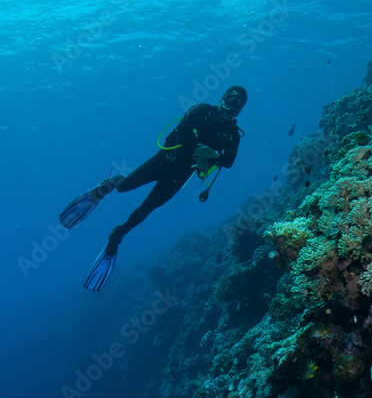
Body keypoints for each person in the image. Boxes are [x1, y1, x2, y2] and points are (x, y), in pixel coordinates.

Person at [59, 85, 247, 290]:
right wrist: (200, 148)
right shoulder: (201, 111)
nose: (231, 105)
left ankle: (118, 235)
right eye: (230, 98)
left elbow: (228, 162)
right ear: (223, 97)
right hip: (164, 161)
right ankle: (111, 183)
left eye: (238, 103)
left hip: (179, 175)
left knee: (148, 208)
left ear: (241, 108)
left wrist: (213, 153)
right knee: (125, 187)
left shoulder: (232, 134)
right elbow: (183, 130)